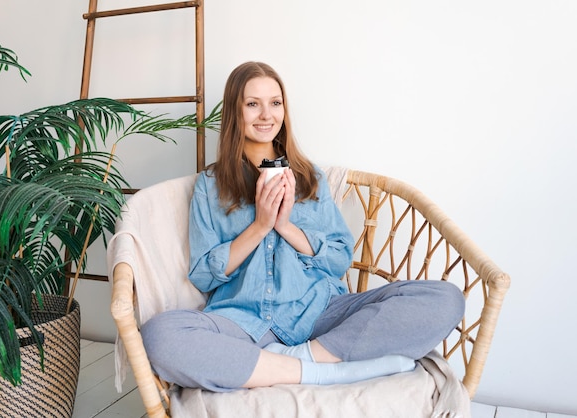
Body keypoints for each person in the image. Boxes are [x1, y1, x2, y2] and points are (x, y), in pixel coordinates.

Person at [141, 61, 465, 392]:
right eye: (253, 104)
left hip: (320, 314)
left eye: (275, 103)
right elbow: (203, 274)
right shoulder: (210, 185)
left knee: (446, 299)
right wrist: (260, 226)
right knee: (159, 335)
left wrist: (285, 227)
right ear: (234, 113)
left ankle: (303, 357)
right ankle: (321, 371)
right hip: (242, 320)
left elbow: (339, 260)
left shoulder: (310, 178)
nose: (266, 115)